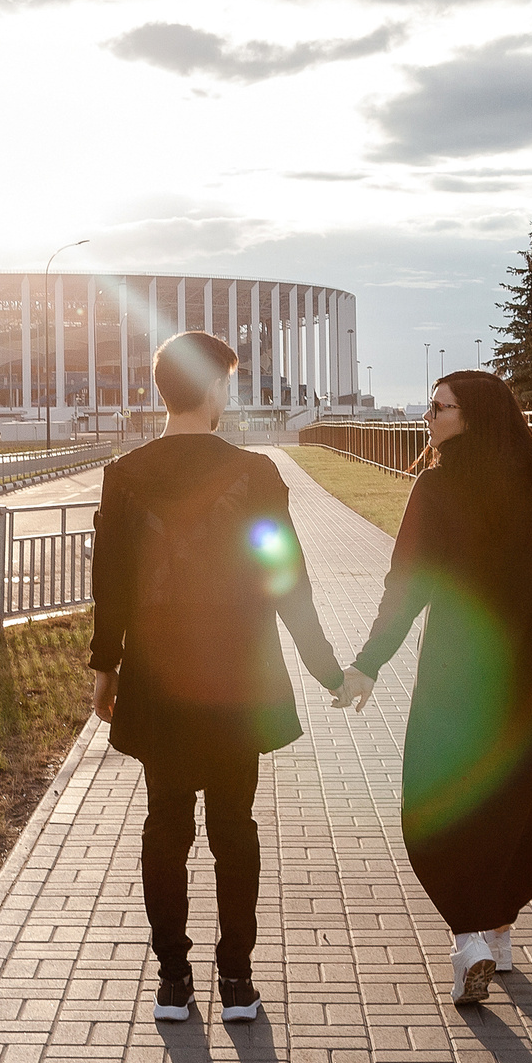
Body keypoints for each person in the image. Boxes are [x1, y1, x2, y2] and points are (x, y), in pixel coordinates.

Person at [89, 331, 346, 1025]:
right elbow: (289, 584)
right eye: (227, 383)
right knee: (234, 826)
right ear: (212, 390)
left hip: (157, 678)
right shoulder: (255, 474)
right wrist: (328, 671)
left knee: (164, 824)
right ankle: (237, 981)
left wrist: (104, 669)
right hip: (236, 679)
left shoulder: (124, 475)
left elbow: (109, 586)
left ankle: (173, 981)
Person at [333, 368, 532, 1004]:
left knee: (436, 798)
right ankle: (498, 933)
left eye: (440, 408)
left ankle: (469, 936)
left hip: (457, 670)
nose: (429, 417)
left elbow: (408, 583)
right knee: (518, 800)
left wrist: (369, 661)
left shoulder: (440, 487)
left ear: (471, 416)